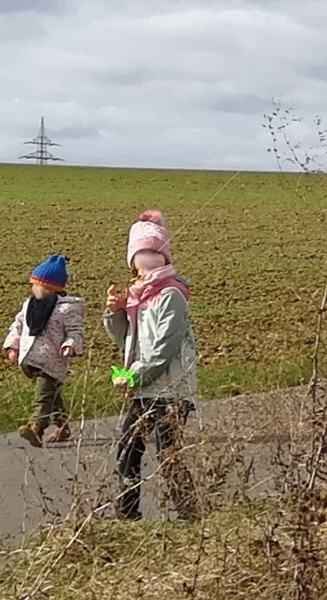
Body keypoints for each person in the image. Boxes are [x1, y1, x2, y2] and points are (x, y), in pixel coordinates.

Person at [103, 210, 198, 521]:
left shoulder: (170, 295)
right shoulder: (137, 299)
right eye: (142, 254)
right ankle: (127, 514)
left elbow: (165, 347)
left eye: (155, 253)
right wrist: (115, 313)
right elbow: (125, 341)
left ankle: (190, 513)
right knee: (128, 448)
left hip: (170, 388)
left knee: (168, 453)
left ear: (165, 258)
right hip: (145, 388)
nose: (148, 260)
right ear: (132, 263)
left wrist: (134, 376)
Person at [2, 253, 84, 446]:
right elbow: (18, 326)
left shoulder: (66, 309)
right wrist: (12, 345)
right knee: (53, 396)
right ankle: (62, 427)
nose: (34, 288)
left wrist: (70, 345)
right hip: (31, 358)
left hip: (52, 361)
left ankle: (36, 428)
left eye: (37, 284)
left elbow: (75, 331)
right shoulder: (29, 306)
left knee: (43, 397)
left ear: (49, 288)